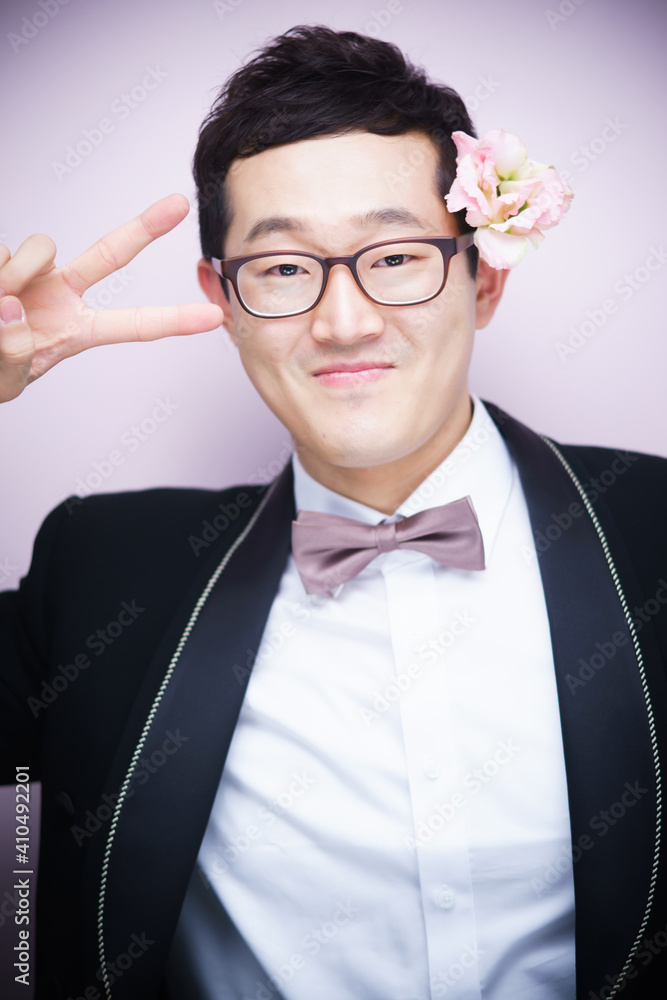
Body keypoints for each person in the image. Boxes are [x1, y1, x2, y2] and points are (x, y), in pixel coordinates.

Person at [1, 23, 666, 1000]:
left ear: (483, 276)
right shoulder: (100, 570)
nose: (344, 321)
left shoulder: (653, 527)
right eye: (281, 268)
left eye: (394, 257)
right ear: (222, 300)